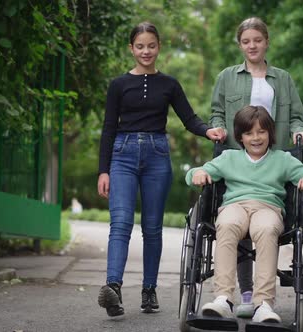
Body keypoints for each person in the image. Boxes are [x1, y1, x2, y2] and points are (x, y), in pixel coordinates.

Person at [96, 22, 225, 317]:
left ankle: (149, 290)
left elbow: (189, 118)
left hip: (157, 156)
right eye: (140, 46)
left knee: (152, 227)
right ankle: (113, 288)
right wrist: (104, 170)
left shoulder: (169, 84)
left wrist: (209, 132)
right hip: (122, 156)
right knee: (121, 222)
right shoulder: (118, 85)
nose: (146, 51)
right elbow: (107, 129)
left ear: (159, 47)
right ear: (131, 49)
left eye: (151, 46)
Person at [208, 16, 303, 317]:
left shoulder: (283, 78)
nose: (252, 45)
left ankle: (259, 300)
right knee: (232, 219)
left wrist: (298, 131)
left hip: (274, 159)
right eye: (246, 41)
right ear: (240, 44)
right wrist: (217, 129)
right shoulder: (227, 76)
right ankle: (243, 293)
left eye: (257, 40)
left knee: (262, 223)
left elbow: (297, 116)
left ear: (266, 42)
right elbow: (215, 112)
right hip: (236, 159)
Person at [186, 105, 303, 323]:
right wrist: (198, 173)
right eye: (249, 133)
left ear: (270, 133)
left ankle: (264, 304)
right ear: (240, 137)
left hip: (268, 207)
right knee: (227, 224)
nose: (256, 138)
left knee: (267, 229)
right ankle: (223, 298)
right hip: (235, 206)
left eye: (261, 132)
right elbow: (197, 172)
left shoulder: (282, 159)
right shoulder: (229, 157)